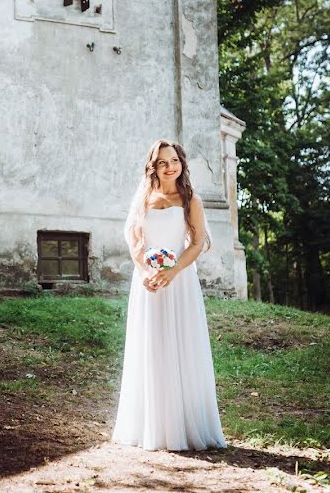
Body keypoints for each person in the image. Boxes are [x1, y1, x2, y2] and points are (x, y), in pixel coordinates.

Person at [112, 139, 227, 451]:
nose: (169, 167)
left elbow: (197, 243)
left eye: (174, 160)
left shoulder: (191, 200)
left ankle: (185, 427)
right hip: (147, 282)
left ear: (181, 163)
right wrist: (146, 272)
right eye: (162, 162)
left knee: (181, 345)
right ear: (153, 167)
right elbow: (134, 240)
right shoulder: (144, 199)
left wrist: (172, 272)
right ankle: (152, 426)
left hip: (180, 282)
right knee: (151, 345)